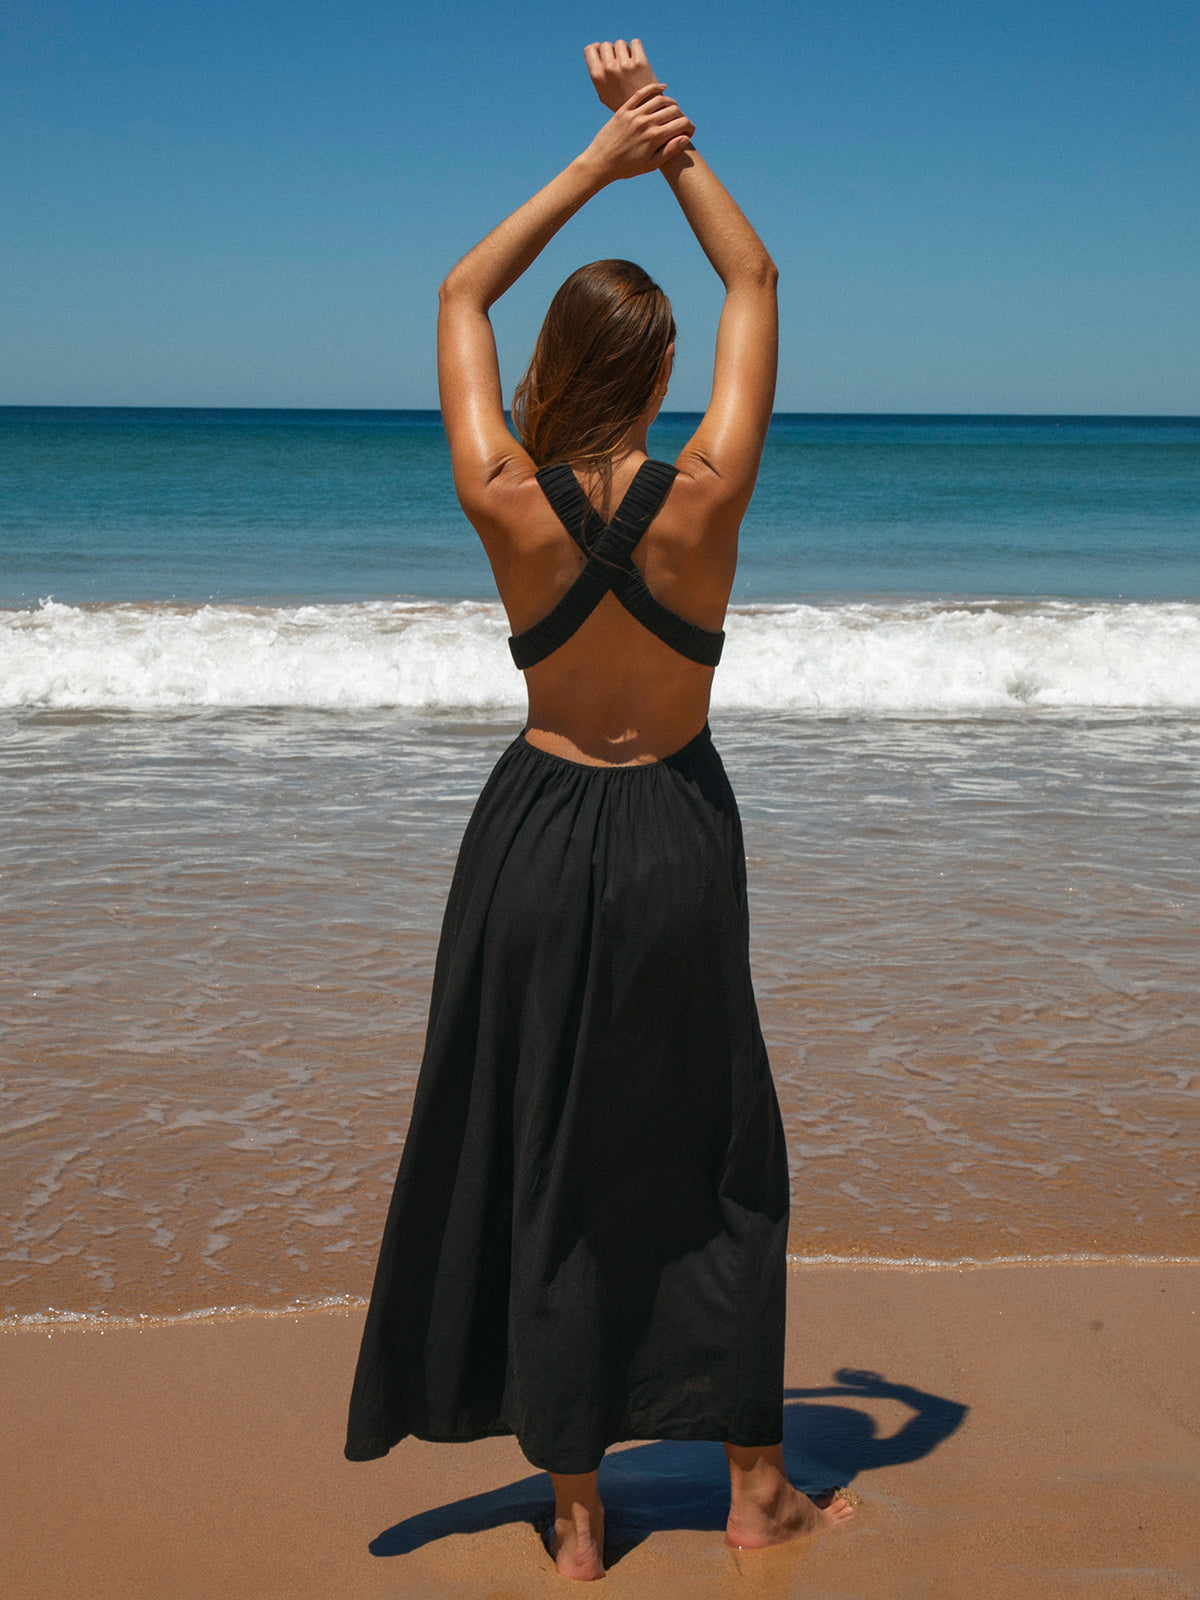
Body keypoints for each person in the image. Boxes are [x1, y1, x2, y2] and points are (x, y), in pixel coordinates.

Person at [345, 37, 856, 1581]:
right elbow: (757, 281)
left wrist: (593, 161)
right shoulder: (709, 490)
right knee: (713, 1155)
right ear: (663, 371)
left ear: (561, 367)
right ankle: (753, 1486)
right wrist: (673, 141)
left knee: (546, 1156)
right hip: (678, 834)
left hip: (534, 831)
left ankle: (576, 1516)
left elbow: (455, 298)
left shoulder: (502, 489)